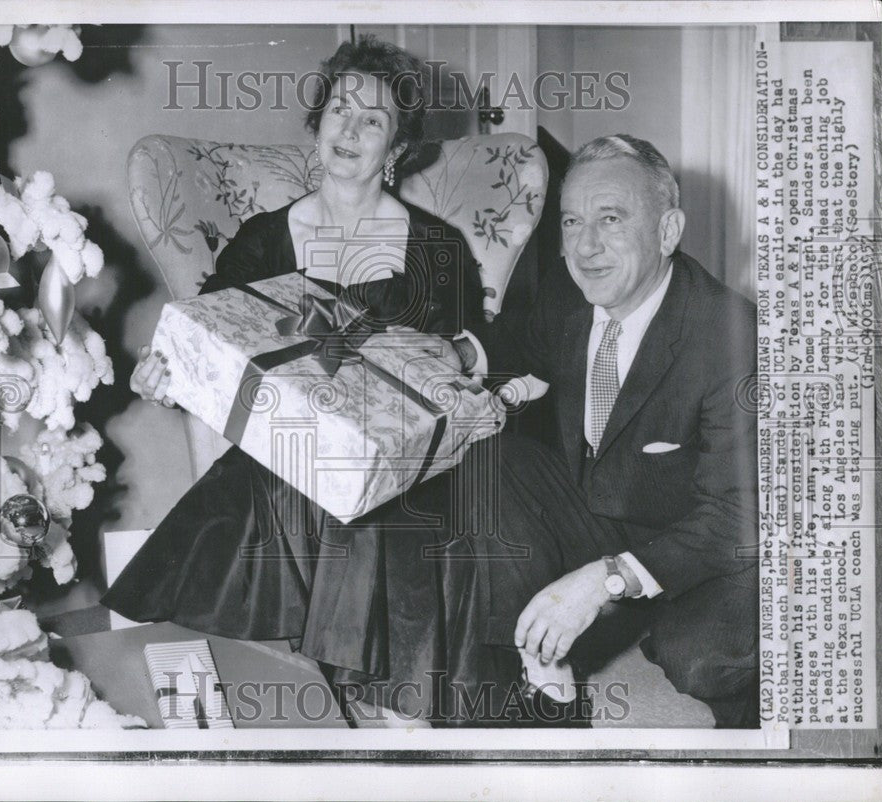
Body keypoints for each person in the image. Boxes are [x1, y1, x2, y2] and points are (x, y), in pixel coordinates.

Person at [102, 36, 491, 726]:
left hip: (396, 471)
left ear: (397, 148)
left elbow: (465, 365)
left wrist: (452, 354)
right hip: (278, 457)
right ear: (317, 124)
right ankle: (292, 705)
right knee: (293, 496)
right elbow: (210, 341)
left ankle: (384, 713)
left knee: (369, 505)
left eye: (372, 120)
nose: (349, 128)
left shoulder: (436, 251)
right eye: (340, 109)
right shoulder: (259, 240)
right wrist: (164, 374)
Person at [458, 134, 759, 728]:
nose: (585, 247)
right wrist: (449, 352)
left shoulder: (732, 335)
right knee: (489, 458)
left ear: (668, 231)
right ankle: (538, 691)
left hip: (703, 539)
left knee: (699, 660)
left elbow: (733, 516)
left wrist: (607, 580)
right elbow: (516, 343)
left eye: (611, 219)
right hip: (606, 507)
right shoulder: (571, 292)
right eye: (572, 221)